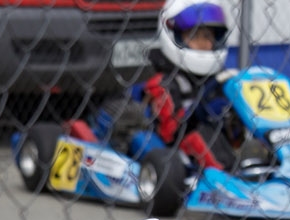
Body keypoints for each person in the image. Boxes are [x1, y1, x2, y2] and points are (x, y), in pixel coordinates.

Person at [71, 0, 242, 170]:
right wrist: (200, 110)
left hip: (204, 148)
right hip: (169, 152)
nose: (203, 43)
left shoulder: (217, 79)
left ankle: (244, 167)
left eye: (207, 36)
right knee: (198, 135)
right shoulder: (163, 83)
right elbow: (170, 133)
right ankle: (227, 174)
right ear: (174, 35)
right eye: (194, 36)